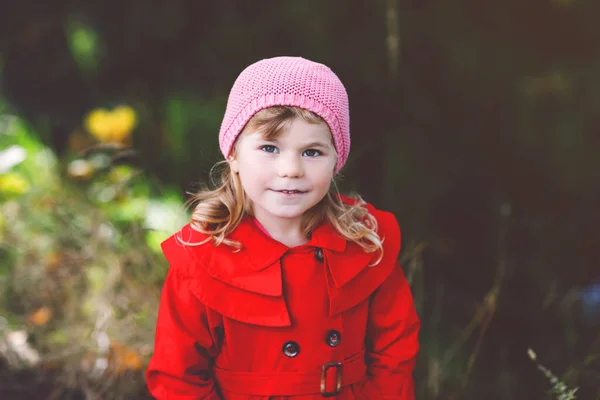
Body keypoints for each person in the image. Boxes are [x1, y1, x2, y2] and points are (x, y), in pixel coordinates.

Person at [146, 56, 420, 399]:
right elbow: (178, 379)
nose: (290, 169)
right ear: (233, 154)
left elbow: (395, 349)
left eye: (312, 152)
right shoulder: (204, 260)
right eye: (269, 148)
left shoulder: (365, 243)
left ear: (337, 159)